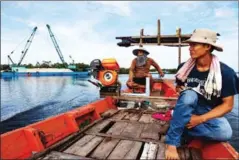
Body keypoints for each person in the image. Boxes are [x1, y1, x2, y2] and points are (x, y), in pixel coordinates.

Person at [165, 28, 239, 159]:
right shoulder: (184, 68)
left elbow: (227, 105)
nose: (190, 48)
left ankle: (180, 124)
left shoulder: (226, 73)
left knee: (225, 133)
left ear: (207, 46)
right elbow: (179, 88)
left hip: (208, 110)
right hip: (188, 106)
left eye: (194, 44)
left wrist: (199, 119)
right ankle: (172, 142)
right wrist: (183, 91)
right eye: (190, 44)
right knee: (189, 95)